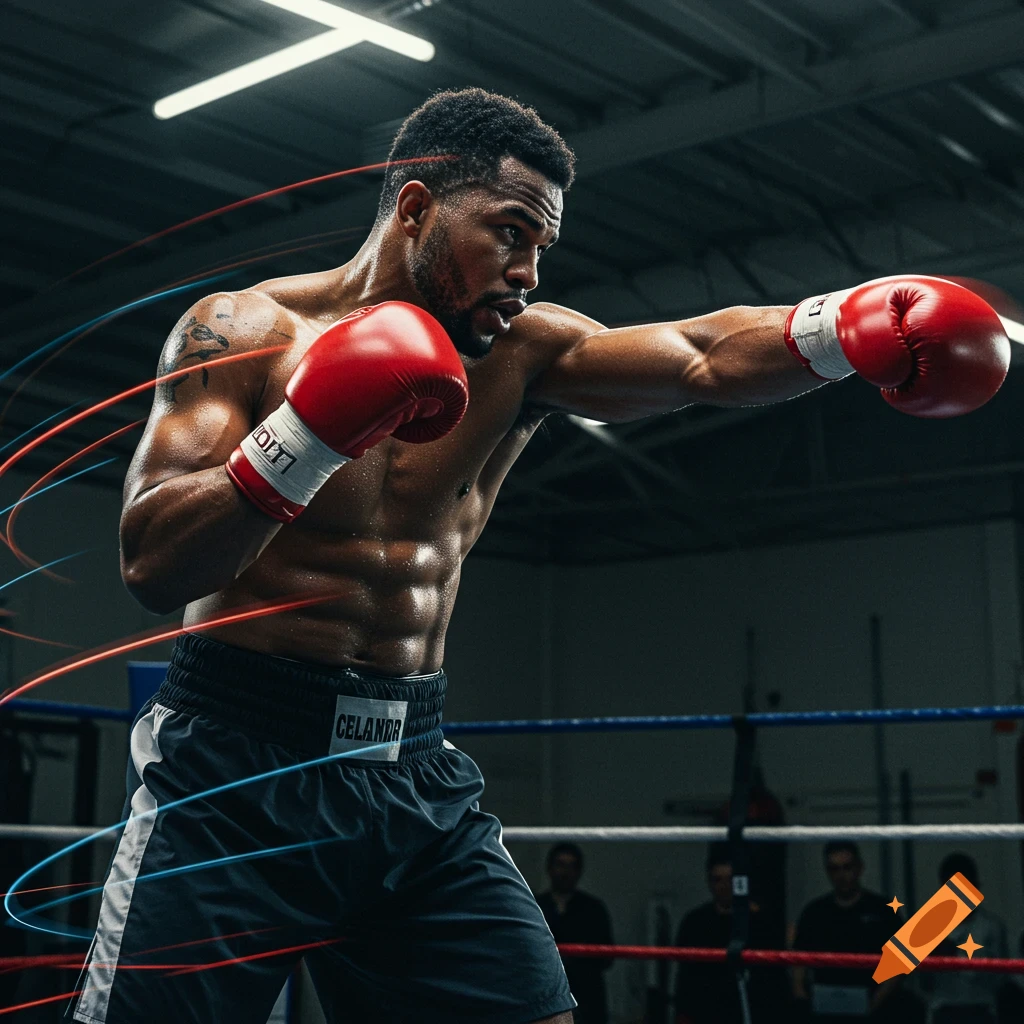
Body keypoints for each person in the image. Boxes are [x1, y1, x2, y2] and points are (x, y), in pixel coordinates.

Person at [57, 84, 1008, 1024]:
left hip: (411, 775)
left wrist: (846, 326)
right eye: (512, 232)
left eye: (542, 246)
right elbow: (154, 563)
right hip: (235, 774)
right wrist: (309, 432)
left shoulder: (524, 355)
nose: (529, 272)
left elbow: (700, 354)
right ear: (418, 208)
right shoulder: (241, 332)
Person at [793, 842, 923, 1021]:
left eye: (847, 867)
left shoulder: (883, 910)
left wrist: (874, 1004)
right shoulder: (815, 912)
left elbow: (900, 966)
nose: (841, 875)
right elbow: (798, 960)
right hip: (824, 1007)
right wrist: (802, 998)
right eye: (834, 869)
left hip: (878, 1005)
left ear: (859, 868)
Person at [674, 844, 789, 1024]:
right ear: (709, 881)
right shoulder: (694, 923)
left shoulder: (761, 922)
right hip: (706, 1013)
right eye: (718, 880)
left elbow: (775, 980)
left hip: (751, 1012)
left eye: (730, 880)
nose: (724, 886)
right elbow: (685, 979)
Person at [916, 853, 1009, 1024]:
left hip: (982, 1010)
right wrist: (931, 958)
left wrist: (956, 957)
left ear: (977, 887)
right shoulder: (926, 928)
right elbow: (919, 983)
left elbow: (1001, 980)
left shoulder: (992, 927)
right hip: (942, 1011)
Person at [535, 843, 613, 1024]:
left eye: (572, 866)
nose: (565, 872)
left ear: (579, 871)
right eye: (560, 864)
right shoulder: (535, 906)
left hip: (587, 998)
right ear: (549, 868)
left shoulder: (594, 909)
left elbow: (608, 957)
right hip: (545, 995)